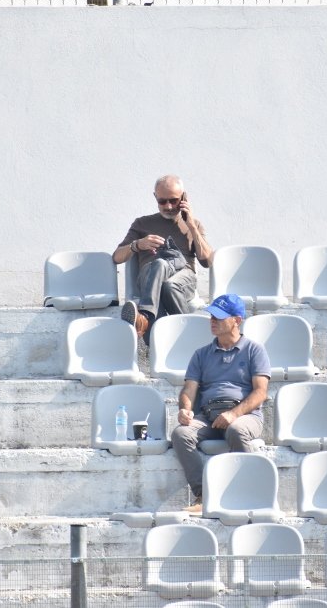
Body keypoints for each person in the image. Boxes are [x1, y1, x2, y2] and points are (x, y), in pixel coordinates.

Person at [170, 293, 271, 511]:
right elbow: (188, 389)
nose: (212, 321)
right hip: (208, 415)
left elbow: (260, 392)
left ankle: (248, 493)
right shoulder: (201, 354)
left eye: (219, 317)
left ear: (237, 320)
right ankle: (204, 496)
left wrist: (234, 414)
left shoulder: (254, 350)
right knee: (180, 434)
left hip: (245, 415)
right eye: (212, 316)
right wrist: (185, 410)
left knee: (236, 430)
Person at [113, 175, 213, 339]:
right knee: (162, 273)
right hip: (149, 275)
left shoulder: (194, 224)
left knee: (168, 283)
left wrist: (192, 227)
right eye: (162, 201)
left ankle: (146, 319)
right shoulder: (142, 223)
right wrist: (137, 244)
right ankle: (188, 339)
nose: (168, 206)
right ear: (155, 197)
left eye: (174, 201)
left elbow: (207, 261)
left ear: (183, 198)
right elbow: (116, 257)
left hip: (183, 278)